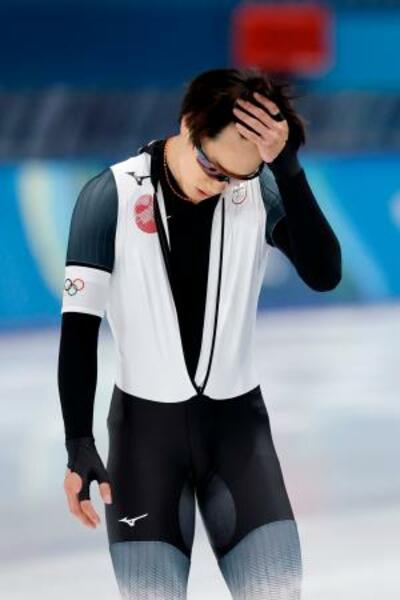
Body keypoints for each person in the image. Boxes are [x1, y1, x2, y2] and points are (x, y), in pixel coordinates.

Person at [58, 67, 341, 599]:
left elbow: (324, 274)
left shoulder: (258, 189)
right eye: (213, 168)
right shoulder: (109, 195)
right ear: (188, 124)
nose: (221, 186)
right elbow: (78, 332)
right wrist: (79, 443)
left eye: (237, 177)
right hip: (144, 445)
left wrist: (286, 168)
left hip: (239, 438)